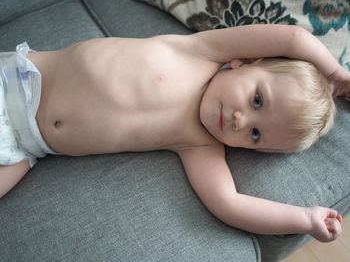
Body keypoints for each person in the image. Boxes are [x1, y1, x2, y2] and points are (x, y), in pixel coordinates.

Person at [1, 24, 349, 242]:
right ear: (248, 60)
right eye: (257, 99)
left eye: (255, 135)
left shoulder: (198, 144)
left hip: (26, 146)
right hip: (18, 77)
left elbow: (230, 204)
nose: (241, 121)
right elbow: (292, 37)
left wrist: (304, 219)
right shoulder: (199, 51)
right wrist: (335, 74)